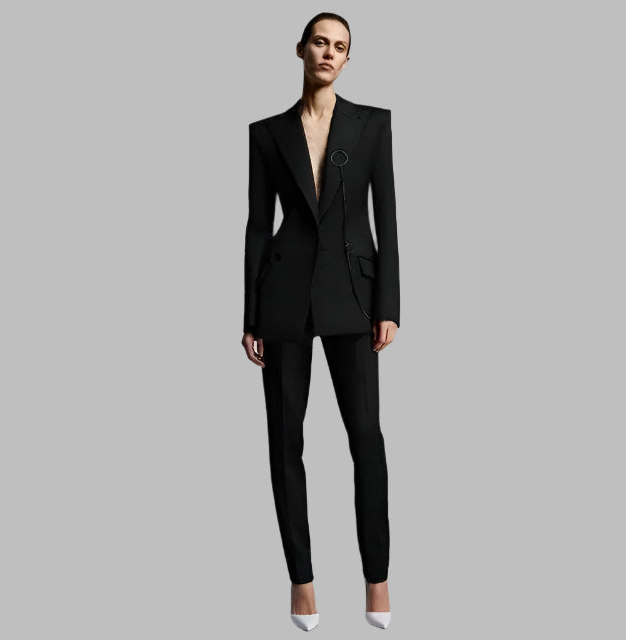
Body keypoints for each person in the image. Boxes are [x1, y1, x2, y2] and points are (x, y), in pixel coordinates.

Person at [241, 12, 400, 631]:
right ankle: (301, 581)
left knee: (367, 440)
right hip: (283, 298)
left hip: (354, 298)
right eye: (319, 42)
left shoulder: (372, 124)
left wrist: (388, 305)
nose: (329, 53)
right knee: (285, 443)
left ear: (347, 58)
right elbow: (259, 225)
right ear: (301, 49)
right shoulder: (266, 133)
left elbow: (386, 217)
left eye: (340, 46)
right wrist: (250, 313)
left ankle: (377, 576)